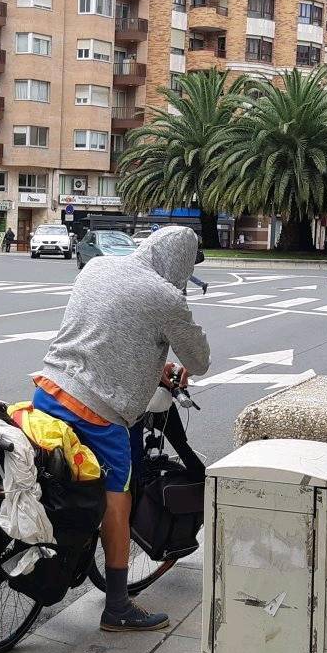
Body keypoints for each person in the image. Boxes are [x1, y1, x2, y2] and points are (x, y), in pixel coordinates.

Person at [33, 226, 210, 631]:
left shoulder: (96, 267)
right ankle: (117, 607)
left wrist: (152, 364)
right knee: (119, 498)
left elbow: (107, 331)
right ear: (181, 264)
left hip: (49, 388)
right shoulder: (166, 297)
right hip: (99, 414)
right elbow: (198, 361)